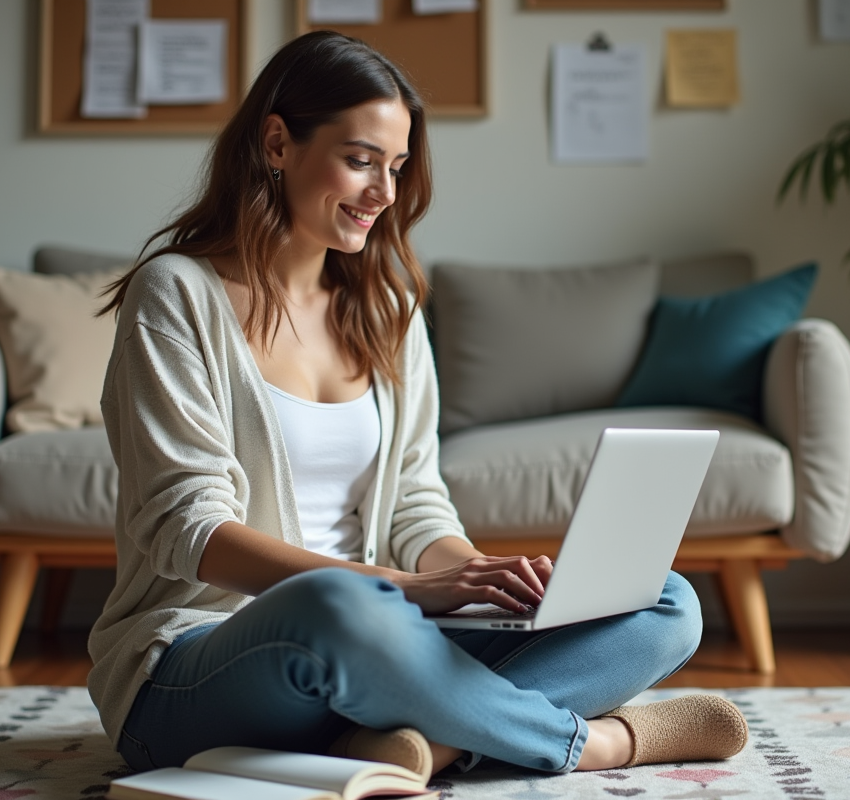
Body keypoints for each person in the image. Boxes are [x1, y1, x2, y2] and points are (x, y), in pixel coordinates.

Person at [89, 31, 748, 778]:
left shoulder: (387, 304)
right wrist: (404, 590)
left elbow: (413, 503)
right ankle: (595, 742)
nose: (386, 193)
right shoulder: (175, 294)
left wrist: (480, 583)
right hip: (197, 670)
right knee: (341, 606)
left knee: (663, 601)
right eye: (362, 160)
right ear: (278, 144)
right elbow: (189, 528)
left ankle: (415, 741)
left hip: (383, 636)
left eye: (396, 167)